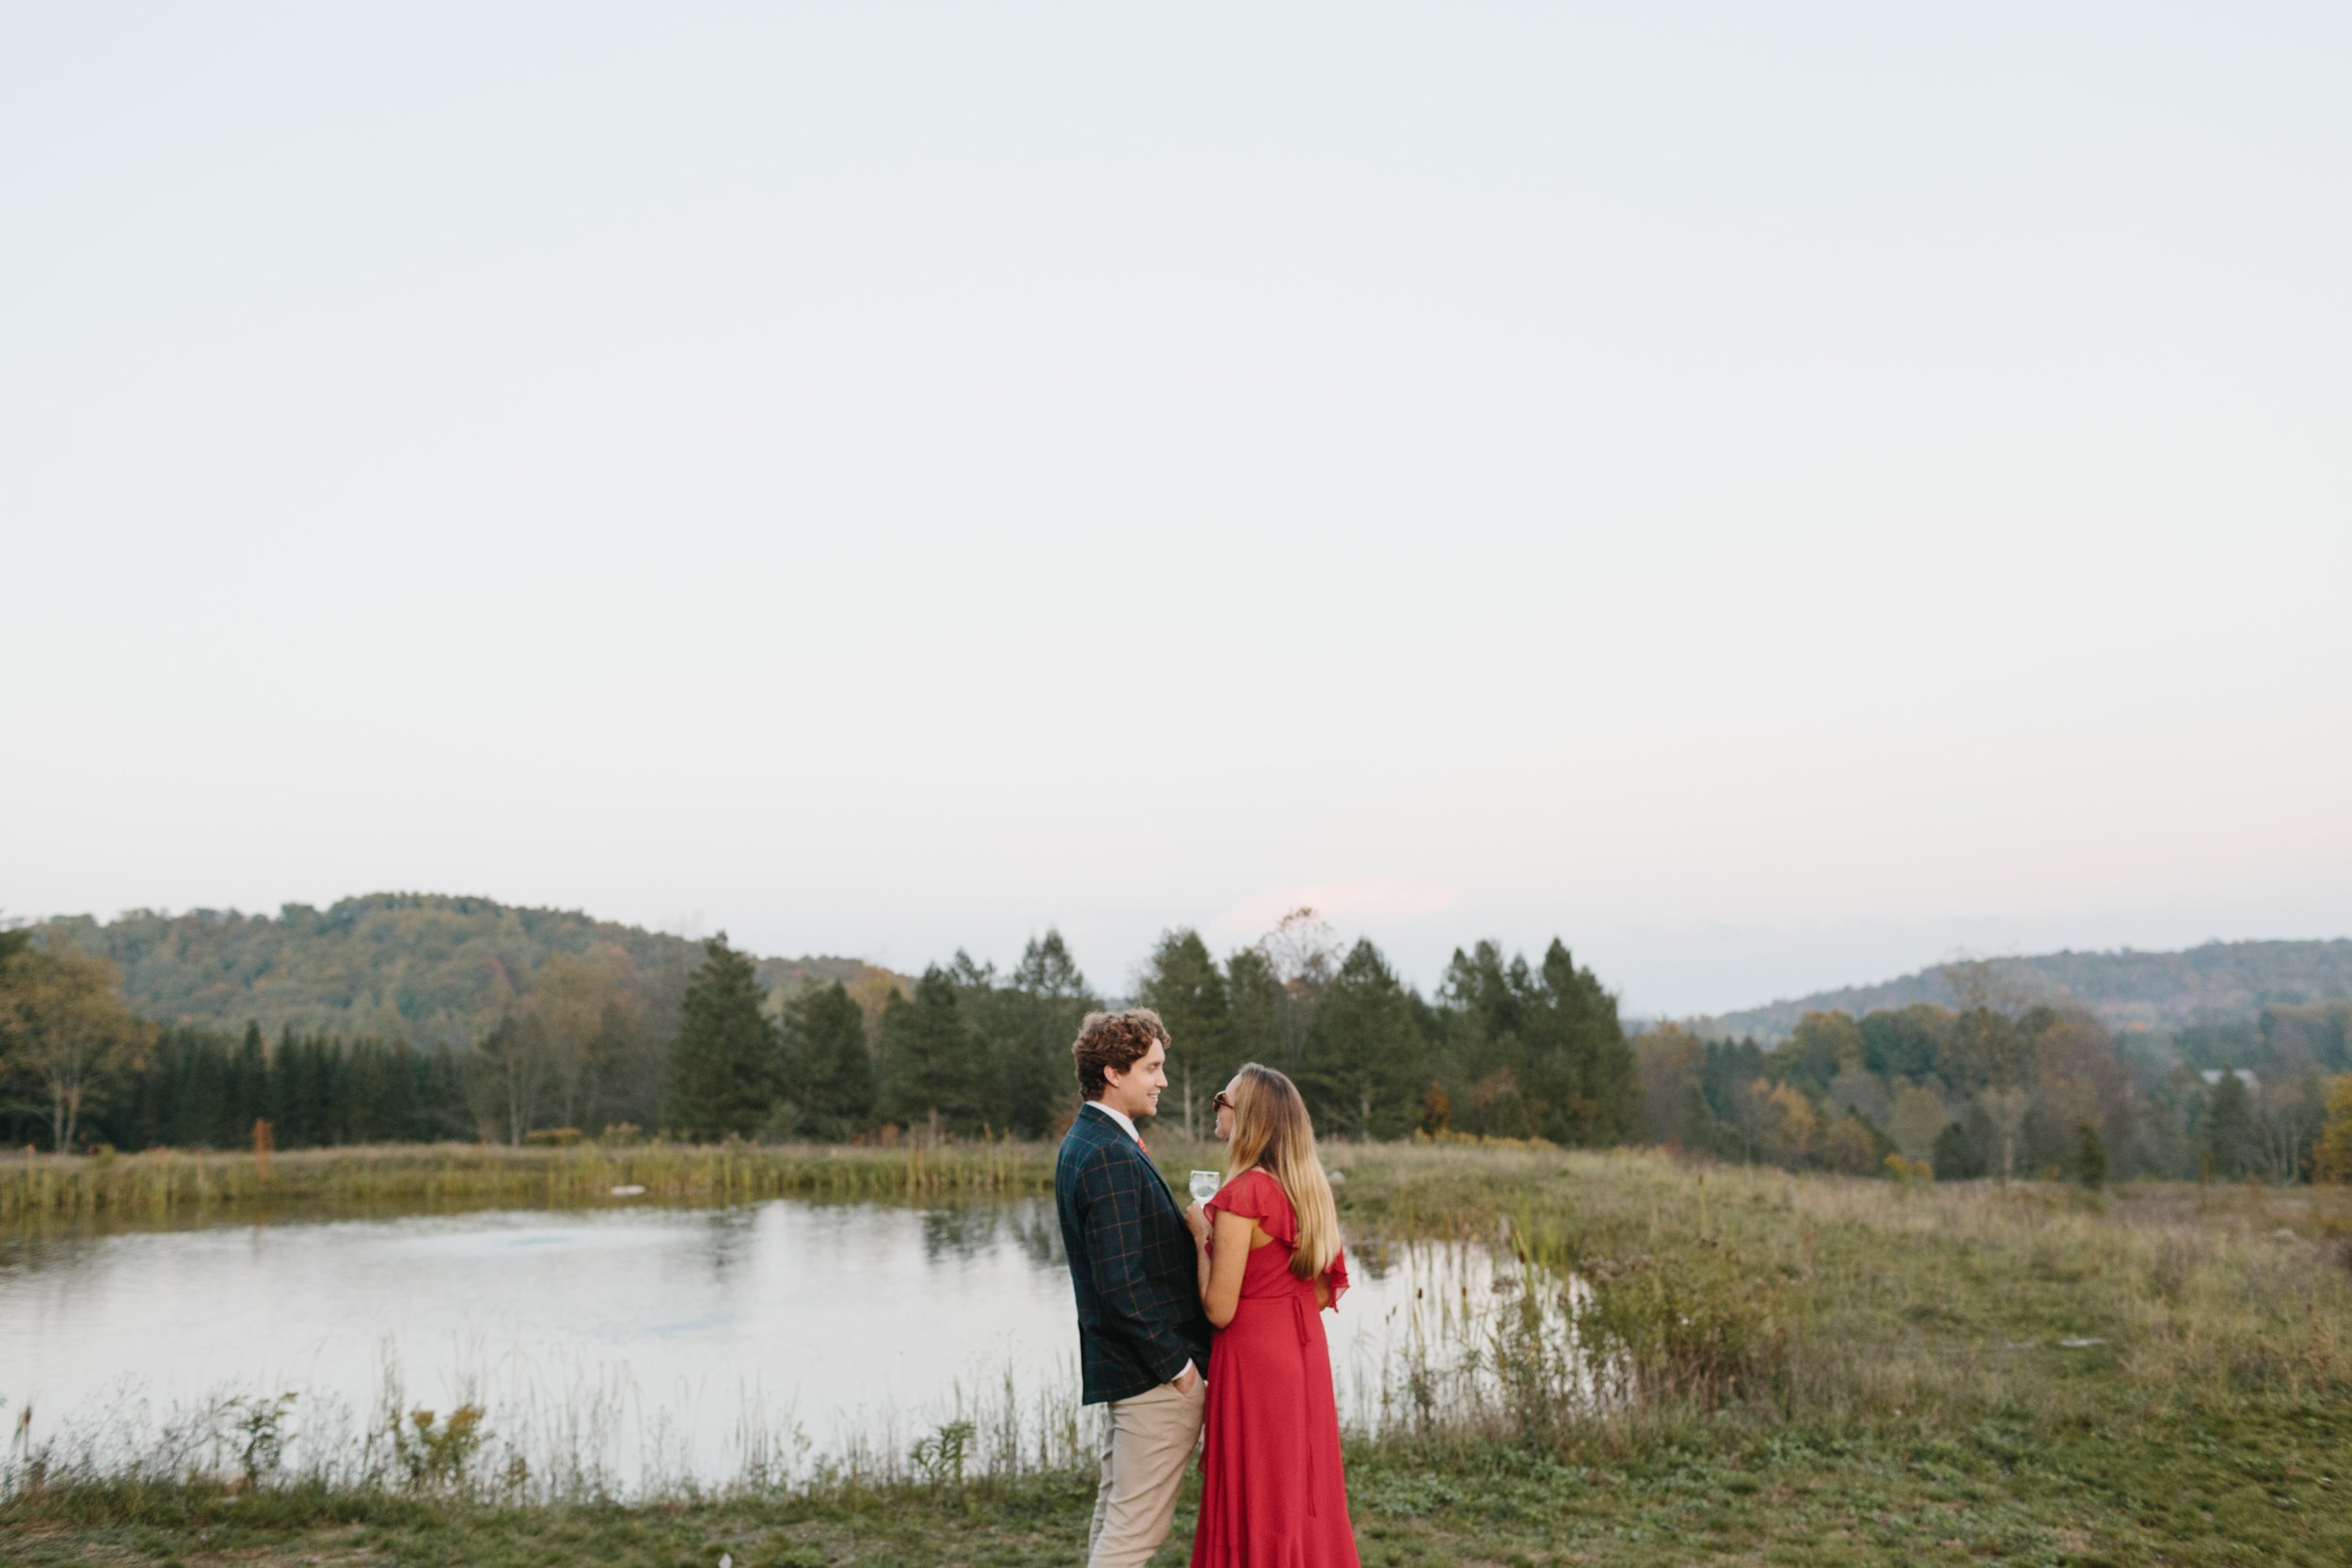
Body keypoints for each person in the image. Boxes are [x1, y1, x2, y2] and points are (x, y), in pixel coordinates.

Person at [1055, 1008, 1215, 1568]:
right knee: (1131, 1537)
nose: (1163, 1081)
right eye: (1153, 1067)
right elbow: (1120, 1284)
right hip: (1153, 1378)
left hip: (1133, 1372)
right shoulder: (1106, 1153)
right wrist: (1180, 1369)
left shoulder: (1094, 1139)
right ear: (1114, 1073)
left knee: (1115, 1522)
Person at [1184, 1062, 1359, 1568]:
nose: (1217, 1107)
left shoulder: (1244, 1196)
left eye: (1224, 1099)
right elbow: (1324, 1291)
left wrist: (1201, 1236)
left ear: (1249, 1119)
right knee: (1302, 1487)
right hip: (1302, 1354)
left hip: (1255, 1362)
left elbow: (1219, 1308)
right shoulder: (1309, 1191)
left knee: (1258, 1490)